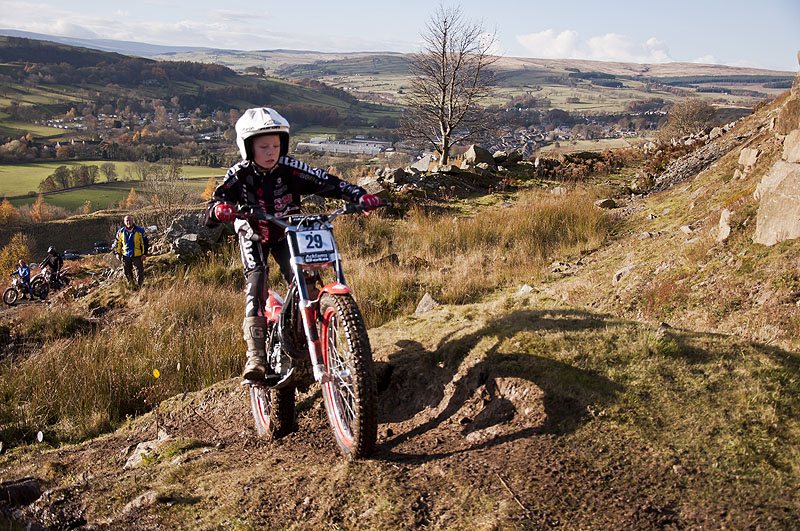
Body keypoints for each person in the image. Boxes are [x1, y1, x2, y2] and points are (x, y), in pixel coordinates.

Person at [204, 107, 381, 381]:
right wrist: (219, 211)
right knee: (257, 282)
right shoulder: (238, 174)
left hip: (288, 231)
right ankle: (256, 356)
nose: (271, 152)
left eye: (276, 145)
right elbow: (215, 202)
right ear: (248, 147)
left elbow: (325, 181)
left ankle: (316, 340)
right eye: (263, 146)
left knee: (307, 281)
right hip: (253, 233)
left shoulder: (291, 169)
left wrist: (358, 195)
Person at [114, 215, 149, 289]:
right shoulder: (120, 232)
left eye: (129, 220)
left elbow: (145, 243)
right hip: (126, 255)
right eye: (126, 221)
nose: (128, 222)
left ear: (132, 221)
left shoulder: (140, 231)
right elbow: (118, 243)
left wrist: (144, 254)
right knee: (127, 272)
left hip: (137, 255)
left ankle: (140, 287)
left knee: (139, 272)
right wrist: (117, 253)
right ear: (124, 222)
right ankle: (131, 286)